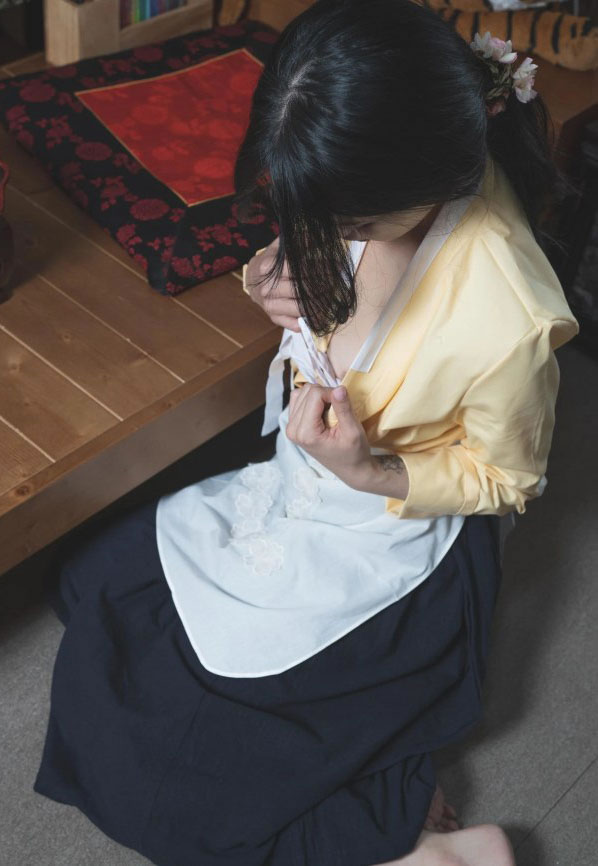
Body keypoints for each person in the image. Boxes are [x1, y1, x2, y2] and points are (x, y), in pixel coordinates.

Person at [33, 2, 579, 865]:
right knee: (95, 583)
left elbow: (511, 480)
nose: (319, 231)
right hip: (296, 479)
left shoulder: (507, 314)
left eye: (343, 224)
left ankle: (418, 836)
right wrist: (264, 275)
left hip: (393, 533)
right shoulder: (356, 171)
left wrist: (370, 471)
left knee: (176, 775)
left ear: (424, 183)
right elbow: (300, 245)